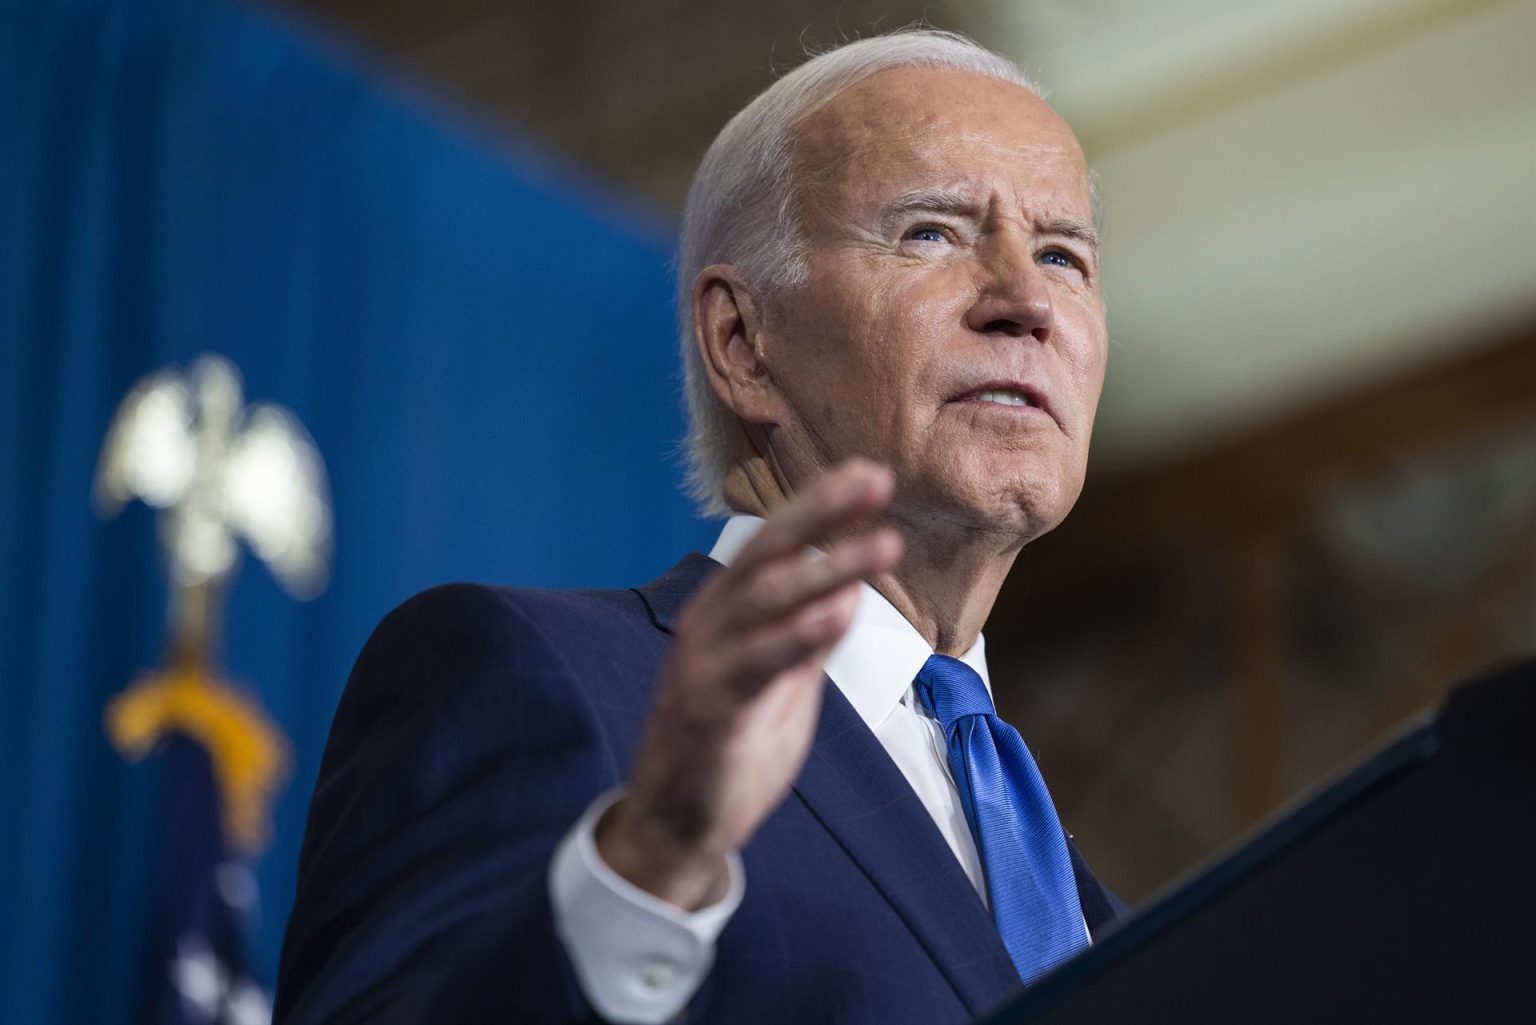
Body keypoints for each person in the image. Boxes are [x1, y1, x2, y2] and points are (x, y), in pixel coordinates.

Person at [275, 29, 1124, 1025]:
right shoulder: (547, 682)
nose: (1026, 302)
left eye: (1063, 254)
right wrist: (651, 863)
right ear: (742, 342)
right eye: (932, 233)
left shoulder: (1106, 912)